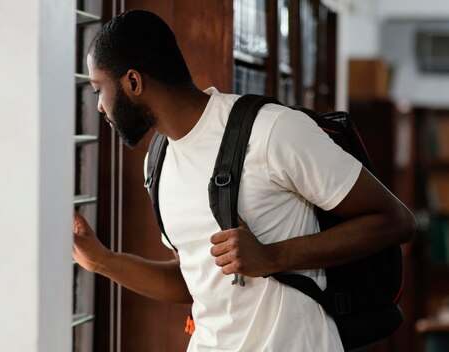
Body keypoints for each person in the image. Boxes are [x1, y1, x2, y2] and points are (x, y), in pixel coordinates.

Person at [72, 9, 416, 352]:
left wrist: (271, 257)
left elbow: (395, 221)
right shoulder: (157, 161)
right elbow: (193, 280)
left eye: (99, 90)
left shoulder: (272, 130)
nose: (100, 108)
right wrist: (102, 261)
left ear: (133, 82)